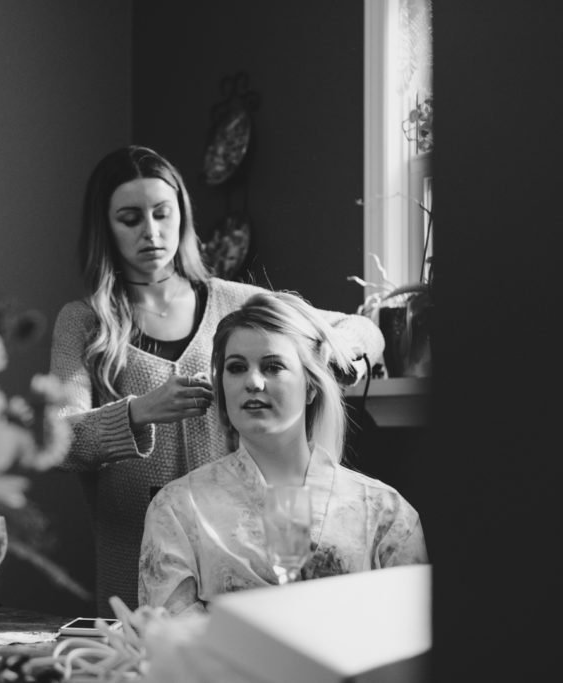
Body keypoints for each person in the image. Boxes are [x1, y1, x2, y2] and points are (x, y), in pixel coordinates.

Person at [49, 145, 385, 615]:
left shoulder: (236, 302)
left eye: (163, 214)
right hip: (131, 558)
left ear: (182, 217)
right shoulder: (84, 322)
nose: (151, 232)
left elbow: (364, 329)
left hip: (237, 554)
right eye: (130, 218)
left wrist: (326, 356)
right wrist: (139, 411)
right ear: (105, 227)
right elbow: (56, 438)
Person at [137, 291, 427, 615]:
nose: (253, 382)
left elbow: (410, 634)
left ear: (311, 386)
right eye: (236, 368)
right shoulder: (177, 509)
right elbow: (171, 644)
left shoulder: (386, 514)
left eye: (273, 366)